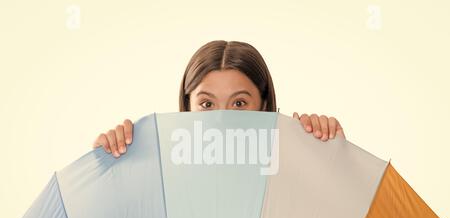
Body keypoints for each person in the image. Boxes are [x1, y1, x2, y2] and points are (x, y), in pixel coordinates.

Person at [93, 40, 345, 158]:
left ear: (263, 105)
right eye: (207, 104)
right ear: (188, 107)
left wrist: (333, 161)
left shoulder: (292, 170)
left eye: (239, 103)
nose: (222, 118)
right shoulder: (159, 176)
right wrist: (108, 170)